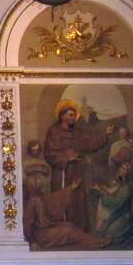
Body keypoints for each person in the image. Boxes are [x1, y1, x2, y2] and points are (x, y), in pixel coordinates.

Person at [42, 98, 114, 232]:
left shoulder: (77, 132)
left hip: (77, 171)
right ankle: (62, 230)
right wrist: (66, 158)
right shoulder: (54, 131)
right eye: (70, 115)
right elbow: (49, 153)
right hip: (62, 172)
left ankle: (79, 230)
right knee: (64, 199)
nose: (73, 117)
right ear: (62, 116)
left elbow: (89, 143)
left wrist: (105, 134)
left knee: (78, 201)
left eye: (74, 115)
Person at [22, 172, 110, 250]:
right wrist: (32, 241)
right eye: (39, 183)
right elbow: (27, 223)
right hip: (42, 236)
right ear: (33, 186)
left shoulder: (38, 198)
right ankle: (96, 243)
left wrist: (71, 188)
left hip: (46, 230)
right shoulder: (34, 201)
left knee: (69, 225)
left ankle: (93, 241)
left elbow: (54, 198)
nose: (42, 184)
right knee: (68, 230)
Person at [92, 160, 133, 248]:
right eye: (121, 168)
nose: (121, 170)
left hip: (124, 215)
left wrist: (102, 193)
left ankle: (128, 229)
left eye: (125, 169)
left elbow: (115, 202)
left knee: (110, 233)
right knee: (105, 230)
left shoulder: (127, 187)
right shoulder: (121, 184)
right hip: (118, 212)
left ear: (129, 173)